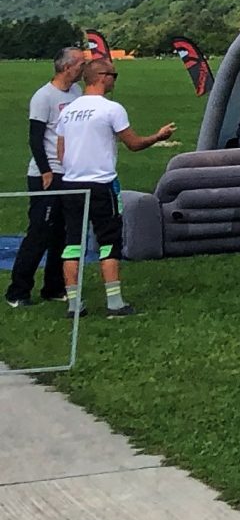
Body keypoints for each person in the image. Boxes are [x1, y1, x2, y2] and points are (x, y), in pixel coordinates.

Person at [48, 58, 174, 318]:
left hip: (71, 183)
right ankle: (115, 302)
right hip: (101, 184)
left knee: (72, 242)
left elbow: (61, 151)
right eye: (114, 75)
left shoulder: (68, 110)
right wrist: (158, 136)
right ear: (102, 77)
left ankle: (73, 304)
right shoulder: (111, 109)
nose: (115, 80)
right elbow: (134, 144)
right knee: (108, 241)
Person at [5, 48, 86, 310]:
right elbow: (35, 137)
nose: (84, 69)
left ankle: (53, 287)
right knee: (40, 231)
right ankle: (17, 291)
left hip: (69, 173)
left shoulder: (76, 93)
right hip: (46, 174)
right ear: (67, 67)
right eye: (80, 64)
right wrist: (45, 171)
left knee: (61, 233)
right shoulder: (44, 97)